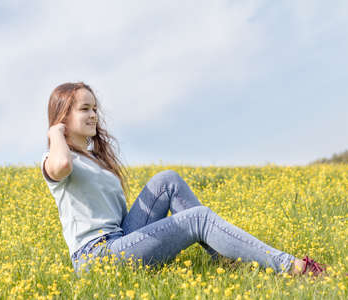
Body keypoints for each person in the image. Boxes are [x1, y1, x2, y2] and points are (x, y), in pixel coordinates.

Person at [41, 81, 327, 278]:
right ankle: (293, 268)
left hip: (119, 241)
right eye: (84, 109)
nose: (93, 115)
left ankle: (221, 258)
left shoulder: (93, 158)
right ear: (64, 115)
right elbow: (62, 164)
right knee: (198, 218)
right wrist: (56, 132)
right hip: (97, 258)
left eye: (94, 108)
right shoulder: (54, 160)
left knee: (167, 180)